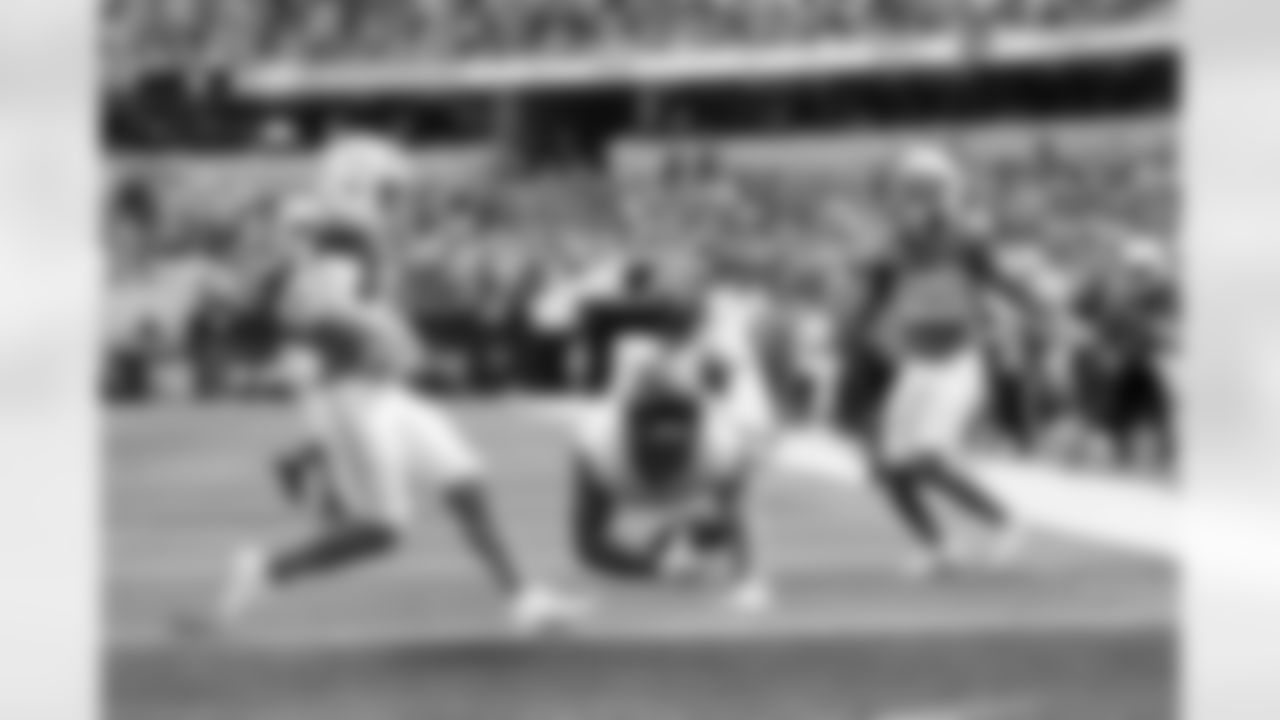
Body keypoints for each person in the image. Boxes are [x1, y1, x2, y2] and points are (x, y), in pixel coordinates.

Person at [836, 145, 1043, 577]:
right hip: (917, 364)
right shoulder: (893, 247)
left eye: (927, 189)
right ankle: (937, 544)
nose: (917, 198)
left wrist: (1035, 308)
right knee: (885, 466)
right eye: (911, 190)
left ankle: (1004, 519)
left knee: (928, 455)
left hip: (956, 362)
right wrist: (849, 334)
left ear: (946, 192)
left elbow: (998, 279)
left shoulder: (966, 238)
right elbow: (874, 297)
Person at [572, 301, 773, 613]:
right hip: (627, 469)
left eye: (676, 421)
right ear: (629, 423)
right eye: (654, 421)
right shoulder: (596, 447)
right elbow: (589, 547)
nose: (666, 434)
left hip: (701, 464)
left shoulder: (722, 447)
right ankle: (678, 543)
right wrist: (654, 566)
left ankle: (686, 534)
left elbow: (740, 518)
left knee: (737, 502)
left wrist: (747, 578)